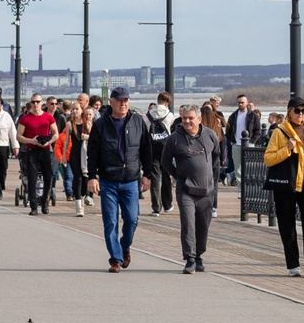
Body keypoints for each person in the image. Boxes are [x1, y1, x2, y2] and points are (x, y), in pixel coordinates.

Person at [87, 87, 153, 271]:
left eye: (126, 101)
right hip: (108, 180)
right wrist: (92, 177)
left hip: (131, 180)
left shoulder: (138, 122)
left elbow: (147, 151)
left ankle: (124, 246)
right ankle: (115, 259)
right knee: (111, 221)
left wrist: (147, 175)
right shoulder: (101, 125)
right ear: (112, 102)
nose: (123, 104)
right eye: (119, 101)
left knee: (132, 219)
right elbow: (92, 154)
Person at [264, 99, 304, 277]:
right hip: (287, 183)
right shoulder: (280, 131)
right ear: (289, 111)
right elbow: (268, 158)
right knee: (287, 223)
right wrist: (287, 149)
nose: (301, 115)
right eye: (297, 111)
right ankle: (292, 265)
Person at [164, 104, 222, 272]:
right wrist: (178, 176)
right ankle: (189, 258)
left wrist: (212, 178)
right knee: (188, 224)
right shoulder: (174, 139)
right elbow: (165, 162)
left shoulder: (210, 135)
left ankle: (198, 256)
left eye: (190, 118)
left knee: (203, 225)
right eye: (184, 118)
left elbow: (217, 157)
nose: (187, 121)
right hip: (186, 190)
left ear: (199, 119)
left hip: (207, 190)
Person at [17, 97, 57, 214]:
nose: (35, 104)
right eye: (33, 102)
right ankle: (33, 206)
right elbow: (18, 136)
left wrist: (49, 142)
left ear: (42, 103)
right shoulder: (25, 119)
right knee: (32, 179)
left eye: (38, 102)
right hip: (31, 152)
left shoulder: (48, 117)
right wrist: (31, 141)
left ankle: (45, 202)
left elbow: (56, 133)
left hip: (45, 151)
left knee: (48, 177)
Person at [223, 96, 262, 185]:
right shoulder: (233, 115)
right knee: (238, 169)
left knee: (249, 167)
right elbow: (228, 130)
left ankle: (249, 188)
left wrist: (252, 141)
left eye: (242, 102)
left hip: (249, 144)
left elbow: (257, 130)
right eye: (238, 102)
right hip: (236, 145)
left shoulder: (253, 115)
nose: (240, 104)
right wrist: (232, 141)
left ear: (247, 103)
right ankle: (241, 190)